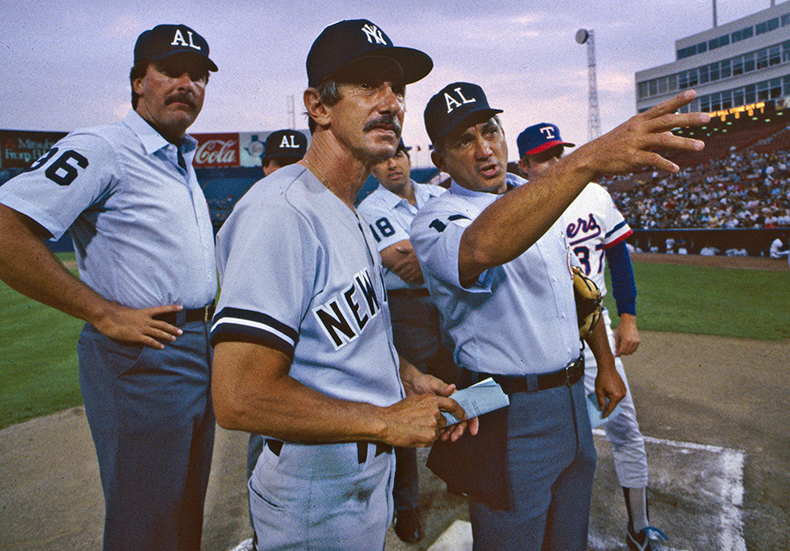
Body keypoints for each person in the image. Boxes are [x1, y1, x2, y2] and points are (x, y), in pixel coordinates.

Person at [209, 19, 475, 551]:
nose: (391, 102)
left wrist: (406, 378)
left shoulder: (344, 205)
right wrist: (383, 420)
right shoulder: (280, 213)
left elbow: (346, 336)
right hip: (315, 487)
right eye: (366, 85)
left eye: (396, 89)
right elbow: (239, 397)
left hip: (358, 474)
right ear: (319, 106)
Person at [410, 82, 709, 551]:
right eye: (463, 141)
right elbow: (485, 245)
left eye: (490, 131)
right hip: (508, 413)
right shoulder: (435, 218)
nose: (484, 149)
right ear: (441, 161)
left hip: (572, 401)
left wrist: (606, 364)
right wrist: (586, 158)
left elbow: (577, 293)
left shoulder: (533, 194)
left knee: (569, 540)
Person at [0, 24, 218, 551]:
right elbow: (7, 227)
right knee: (145, 525)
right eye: (170, 70)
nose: (187, 83)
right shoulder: (105, 146)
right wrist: (101, 311)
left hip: (196, 344)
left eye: (198, 75)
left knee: (183, 515)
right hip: (142, 354)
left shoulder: (178, 157)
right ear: (138, 81)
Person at [517, 122, 669, 551]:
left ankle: (639, 527)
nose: (555, 162)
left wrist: (629, 318)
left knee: (625, 428)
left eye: (559, 153)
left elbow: (619, 259)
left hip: (593, 328)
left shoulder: (596, 195)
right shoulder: (517, 206)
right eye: (544, 156)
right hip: (539, 333)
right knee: (547, 436)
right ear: (526, 165)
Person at [357, 138, 454, 543]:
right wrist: (444, 249)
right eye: (382, 160)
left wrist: (428, 251)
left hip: (451, 305)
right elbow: (401, 264)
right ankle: (407, 505)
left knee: (461, 392)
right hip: (405, 310)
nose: (392, 165)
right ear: (374, 170)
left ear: (409, 158)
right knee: (407, 404)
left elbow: (437, 251)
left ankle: (459, 471)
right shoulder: (370, 208)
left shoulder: (437, 193)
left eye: (397, 155)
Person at [244, 127, 308, 551]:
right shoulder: (254, 219)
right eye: (278, 164)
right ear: (265, 167)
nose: (287, 173)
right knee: (264, 440)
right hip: (272, 358)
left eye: (295, 165)